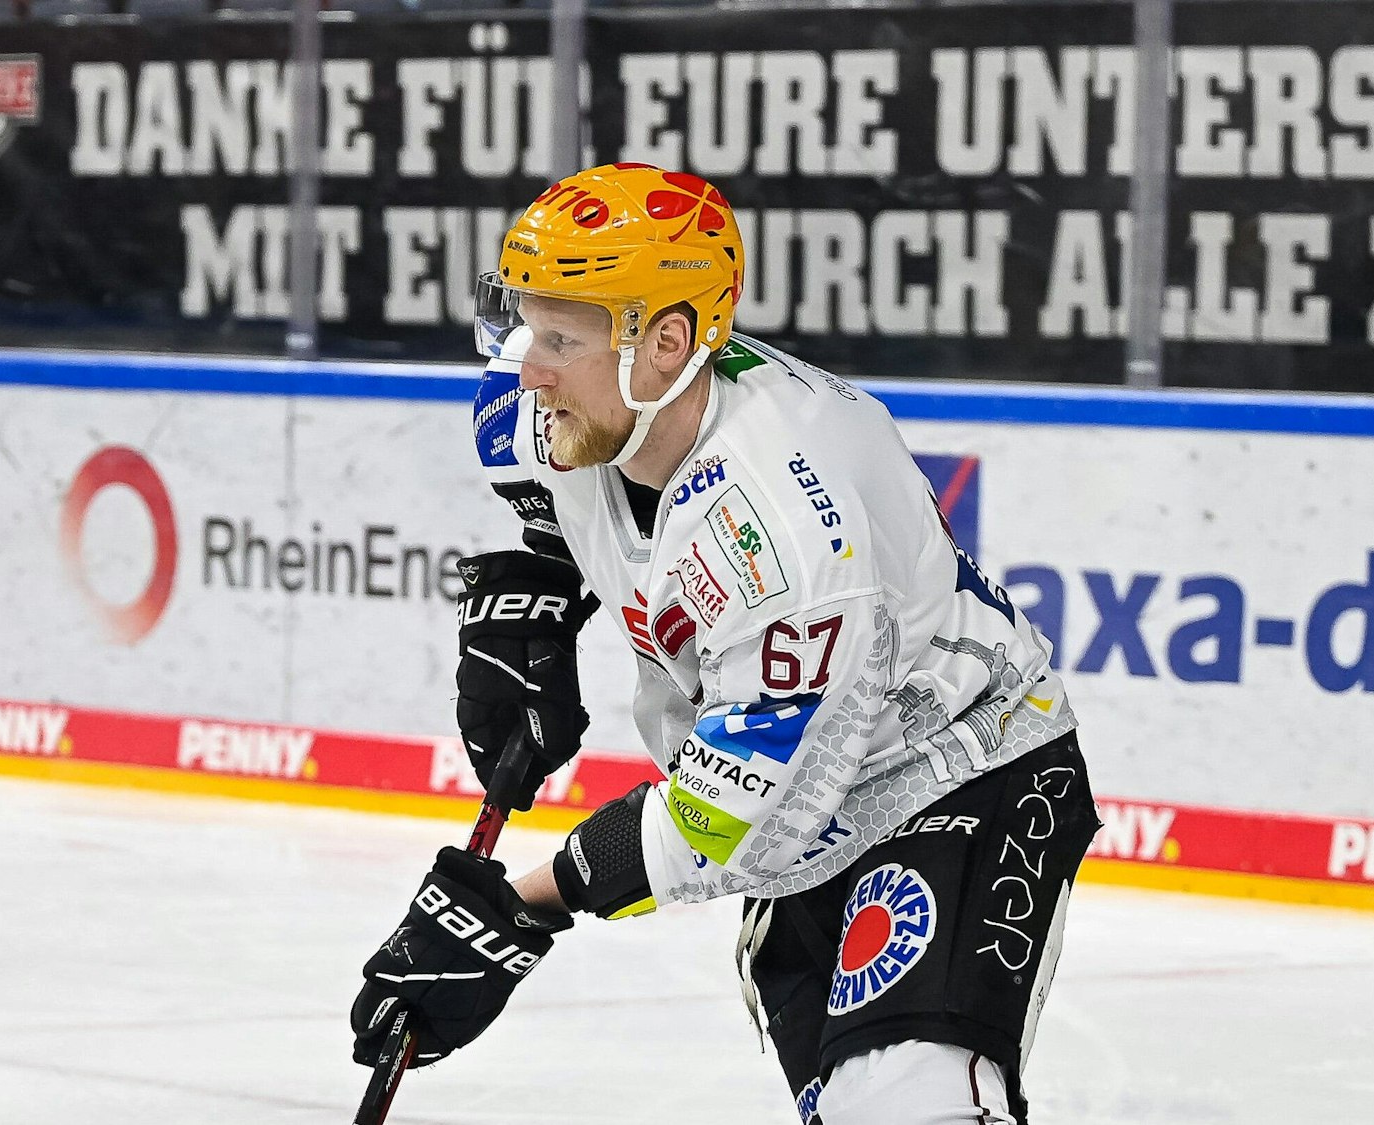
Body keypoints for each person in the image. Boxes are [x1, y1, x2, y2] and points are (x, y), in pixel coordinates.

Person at [350, 164, 1100, 1124]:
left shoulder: (784, 525)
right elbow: (555, 506)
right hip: (799, 803)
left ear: (667, 342)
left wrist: (516, 910)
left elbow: (732, 817)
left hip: (955, 770)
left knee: (904, 1107)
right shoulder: (551, 399)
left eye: (561, 337)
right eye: (527, 322)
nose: (526, 365)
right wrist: (534, 594)